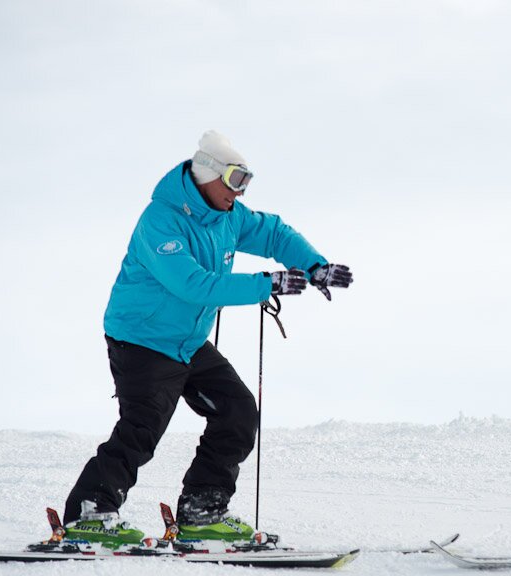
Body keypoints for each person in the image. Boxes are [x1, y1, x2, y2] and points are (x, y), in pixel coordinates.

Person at [62, 130, 353, 548]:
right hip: (143, 339)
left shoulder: (227, 216)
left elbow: (272, 232)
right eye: (236, 180)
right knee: (142, 428)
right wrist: (263, 284)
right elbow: (192, 285)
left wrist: (314, 265)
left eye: (247, 182)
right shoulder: (160, 221)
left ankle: (203, 511)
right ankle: (90, 513)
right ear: (208, 175)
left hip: (187, 340)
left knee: (237, 411)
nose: (241, 191)